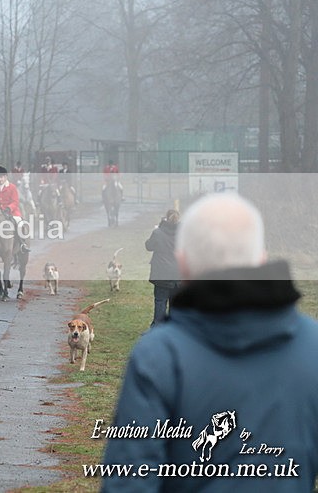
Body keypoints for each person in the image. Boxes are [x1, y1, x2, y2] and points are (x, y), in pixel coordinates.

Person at [101, 192, 318, 492]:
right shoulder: (312, 347)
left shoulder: (156, 356)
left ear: (184, 263)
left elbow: (128, 482)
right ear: (262, 257)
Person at [145, 209, 180, 326]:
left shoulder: (158, 232)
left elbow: (149, 246)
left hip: (162, 274)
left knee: (160, 301)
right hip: (178, 275)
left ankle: (158, 328)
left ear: (166, 218)